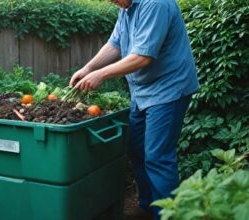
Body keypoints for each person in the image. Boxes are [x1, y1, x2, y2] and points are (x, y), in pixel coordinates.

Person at [69, 0, 199, 219]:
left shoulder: (156, 4)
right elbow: (116, 44)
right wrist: (89, 68)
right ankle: (149, 206)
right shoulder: (127, 7)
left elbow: (142, 56)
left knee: (158, 156)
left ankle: (168, 215)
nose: (111, 2)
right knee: (136, 149)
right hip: (142, 92)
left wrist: (102, 74)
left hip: (168, 89)